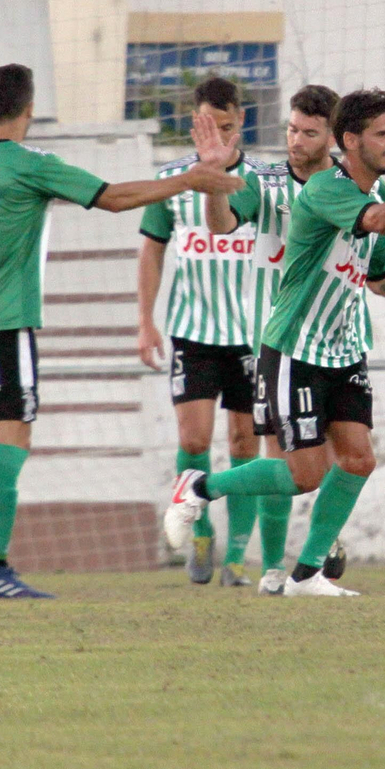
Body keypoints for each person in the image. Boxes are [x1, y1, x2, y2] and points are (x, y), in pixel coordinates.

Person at [0, 63, 243, 599]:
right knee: (11, 442)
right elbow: (113, 197)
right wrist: (188, 180)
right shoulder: (30, 165)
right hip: (5, 322)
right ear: (30, 109)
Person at [162, 88, 385, 597]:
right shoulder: (323, 190)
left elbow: (381, 275)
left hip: (343, 348)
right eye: (383, 134)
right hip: (294, 346)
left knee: (359, 459)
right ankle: (200, 489)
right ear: (352, 141)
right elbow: (378, 222)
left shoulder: (370, 194)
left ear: (329, 137)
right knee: (303, 473)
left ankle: (306, 574)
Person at [137, 76, 264, 587]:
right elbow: (151, 251)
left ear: (241, 121)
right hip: (193, 333)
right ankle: (202, 534)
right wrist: (145, 320)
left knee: (244, 444)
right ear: (195, 124)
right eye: (209, 125)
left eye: (227, 125)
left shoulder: (262, 183)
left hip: (252, 336)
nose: (219, 135)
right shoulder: (172, 181)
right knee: (193, 438)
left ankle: (238, 555)